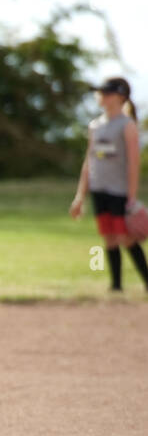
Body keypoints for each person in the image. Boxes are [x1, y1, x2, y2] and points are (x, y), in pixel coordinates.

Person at [70, 77, 147, 292]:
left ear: (120, 97)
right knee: (109, 236)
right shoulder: (95, 125)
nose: (101, 97)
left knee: (125, 236)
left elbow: (134, 163)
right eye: (100, 93)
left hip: (119, 190)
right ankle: (116, 286)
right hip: (99, 188)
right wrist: (80, 196)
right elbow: (89, 161)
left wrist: (131, 198)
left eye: (106, 93)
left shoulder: (127, 125)